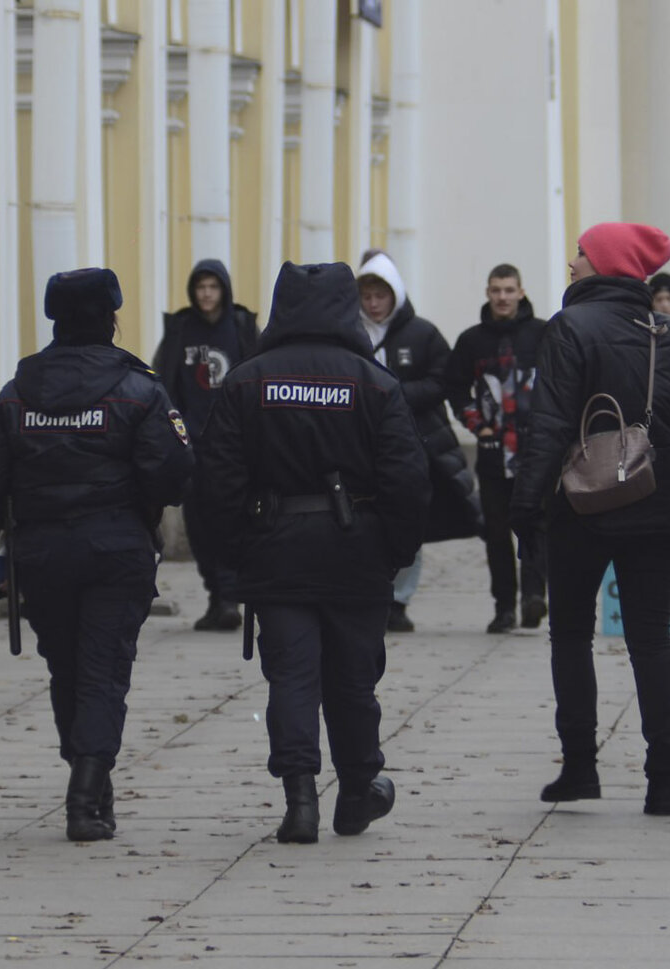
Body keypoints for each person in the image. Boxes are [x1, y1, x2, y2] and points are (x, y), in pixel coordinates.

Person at [199, 261, 431, 843]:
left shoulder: (248, 381)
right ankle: (357, 790)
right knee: (354, 680)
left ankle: (299, 798)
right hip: (356, 551)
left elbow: (218, 480)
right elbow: (407, 477)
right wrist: (395, 551)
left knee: (292, 677)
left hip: (276, 550)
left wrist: (233, 557)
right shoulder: (374, 383)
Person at [0, 268, 194, 842]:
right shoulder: (138, 388)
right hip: (114, 547)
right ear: (111, 316)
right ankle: (86, 795)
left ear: (55, 318)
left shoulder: (19, 389)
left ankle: (89, 781)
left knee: (66, 669)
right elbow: (172, 475)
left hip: (41, 551)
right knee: (103, 671)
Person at [510, 223, 670, 816]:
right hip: (659, 497)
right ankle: (664, 782)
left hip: (582, 502)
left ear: (604, 263)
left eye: (581, 254)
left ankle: (579, 769)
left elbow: (547, 425)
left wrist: (525, 506)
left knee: (570, 632)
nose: (572, 263)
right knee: (651, 638)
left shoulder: (568, 327)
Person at [355, 249, 480, 633]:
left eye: (381, 295)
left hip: (413, 444)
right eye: (367, 296)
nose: (374, 304)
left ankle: (399, 599)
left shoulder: (422, 333)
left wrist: (394, 394)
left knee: (408, 521)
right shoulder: (351, 333)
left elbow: (443, 379)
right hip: (362, 444)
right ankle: (368, 592)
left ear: (395, 295)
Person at [153, 259, 260, 632]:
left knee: (232, 522)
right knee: (198, 525)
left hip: (234, 446)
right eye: (201, 287)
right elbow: (162, 382)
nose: (207, 294)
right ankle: (218, 596)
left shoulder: (243, 327)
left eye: (213, 287)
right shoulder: (181, 329)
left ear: (224, 290)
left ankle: (230, 595)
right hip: (192, 444)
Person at [446, 263, 548, 634]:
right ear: (487, 293)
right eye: (496, 290)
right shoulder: (471, 341)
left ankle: (534, 596)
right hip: (492, 453)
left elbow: (559, 383)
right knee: (497, 532)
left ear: (521, 292)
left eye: (509, 290)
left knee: (536, 527)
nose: (502, 297)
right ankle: (504, 606)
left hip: (535, 452)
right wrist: (477, 423)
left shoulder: (542, 333)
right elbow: (454, 389)